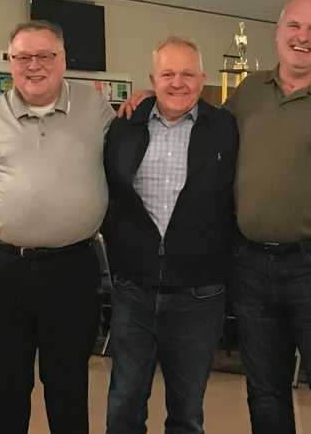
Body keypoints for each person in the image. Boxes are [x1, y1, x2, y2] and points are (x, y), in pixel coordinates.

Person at [121, 0, 311, 434]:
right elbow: (193, 117)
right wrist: (150, 99)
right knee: (264, 391)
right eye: (294, 27)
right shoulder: (247, 94)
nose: (303, 37)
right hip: (251, 269)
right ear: (278, 34)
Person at [0, 20, 115, 434]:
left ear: (63, 61)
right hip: (3, 269)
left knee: (68, 386)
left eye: (45, 56)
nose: (34, 66)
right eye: (23, 57)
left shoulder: (95, 109)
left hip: (73, 270)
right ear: (10, 61)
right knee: (3, 387)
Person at [103, 36, 238, 434]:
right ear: (151, 79)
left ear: (203, 78)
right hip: (133, 289)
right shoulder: (124, 127)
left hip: (199, 294)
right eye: (167, 74)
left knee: (186, 412)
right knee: (124, 405)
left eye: (187, 73)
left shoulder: (226, 129)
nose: (177, 83)